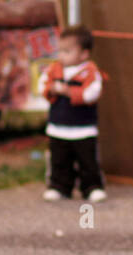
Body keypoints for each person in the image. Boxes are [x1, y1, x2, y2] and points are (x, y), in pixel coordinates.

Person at [40, 24, 107, 203]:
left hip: (83, 129)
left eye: (67, 51)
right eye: (60, 51)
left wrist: (68, 92)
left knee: (87, 161)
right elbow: (42, 85)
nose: (61, 55)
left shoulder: (91, 72)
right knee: (59, 160)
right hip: (58, 127)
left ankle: (92, 187)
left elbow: (91, 93)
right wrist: (51, 89)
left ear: (84, 54)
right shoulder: (54, 69)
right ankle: (59, 186)